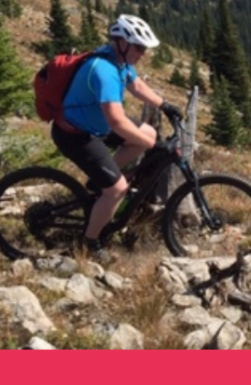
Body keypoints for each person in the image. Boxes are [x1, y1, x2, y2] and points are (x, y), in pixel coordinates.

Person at [51, 14, 182, 256]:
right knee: (117, 189)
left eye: (144, 48)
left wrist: (164, 105)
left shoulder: (119, 60)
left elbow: (137, 85)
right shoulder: (104, 70)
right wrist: (153, 146)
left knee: (147, 131)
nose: (143, 53)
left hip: (95, 125)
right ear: (122, 42)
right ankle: (89, 243)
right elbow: (117, 120)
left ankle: (99, 184)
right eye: (139, 47)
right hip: (76, 135)